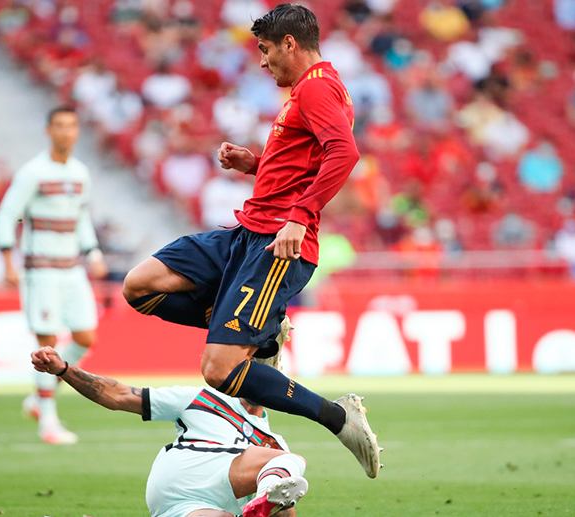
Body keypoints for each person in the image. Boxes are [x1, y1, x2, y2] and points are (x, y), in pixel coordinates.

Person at [121, 4, 381, 478]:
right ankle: (260, 332)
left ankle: (339, 418)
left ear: (289, 44)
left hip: (276, 246)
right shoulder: (308, 90)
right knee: (140, 287)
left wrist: (300, 217)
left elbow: (345, 153)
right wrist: (254, 164)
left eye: (265, 50)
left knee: (218, 371)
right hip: (247, 233)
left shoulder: (319, 87)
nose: (262, 63)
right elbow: (299, 166)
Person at [31, 341, 326, 517]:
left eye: (265, 370)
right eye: (253, 367)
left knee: (283, 467)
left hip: (193, 504)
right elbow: (119, 395)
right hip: (187, 472)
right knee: (291, 461)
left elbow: (285, 506)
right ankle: (264, 496)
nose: (259, 375)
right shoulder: (201, 397)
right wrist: (63, 369)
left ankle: (263, 498)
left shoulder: (271, 441)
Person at [0, 107, 108, 444]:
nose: (66, 132)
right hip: (40, 270)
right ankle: (48, 420)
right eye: (59, 126)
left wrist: (93, 253)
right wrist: (7, 262)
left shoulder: (80, 173)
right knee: (47, 343)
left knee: (85, 338)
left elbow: (81, 216)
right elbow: (6, 216)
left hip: (72, 269)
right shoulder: (33, 173)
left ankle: (38, 397)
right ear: (49, 130)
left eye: (71, 126)